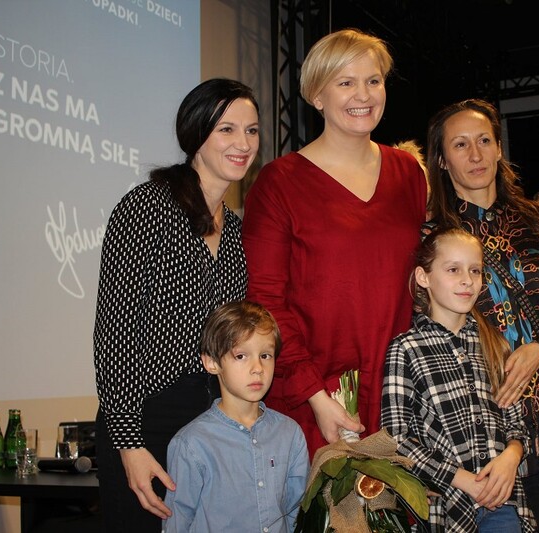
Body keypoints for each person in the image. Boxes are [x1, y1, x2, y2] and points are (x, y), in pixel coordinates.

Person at [242, 28, 427, 459]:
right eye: (346, 82)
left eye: (374, 80)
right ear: (317, 95)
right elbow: (265, 299)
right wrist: (314, 394)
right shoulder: (278, 182)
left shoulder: (408, 174)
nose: (363, 94)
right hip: (317, 400)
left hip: (399, 393)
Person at [93, 78, 257, 531]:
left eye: (252, 130)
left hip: (214, 422)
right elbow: (117, 332)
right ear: (196, 134)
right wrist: (129, 444)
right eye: (227, 129)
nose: (243, 143)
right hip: (146, 418)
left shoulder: (240, 233)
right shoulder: (146, 207)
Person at [425, 98, 539, 532]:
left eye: (484, 141)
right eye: (460, 145)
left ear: (500, 149)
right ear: (441, 159)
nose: (476, 155)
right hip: (476, 419)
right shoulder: (431, 235)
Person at [381, 226, 535, 532]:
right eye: (453, 269)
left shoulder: (496, 345)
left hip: (502, 502)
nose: (467, 280)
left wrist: (512, 457)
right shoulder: (406, 349)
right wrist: (460, 478)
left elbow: (517, 423)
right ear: (423, 277)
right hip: (448, 508)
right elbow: (396, 438)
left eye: (475, 270)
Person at [162, 301, 308, 532]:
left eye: (265, 355)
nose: (257, 368)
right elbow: (177, 521)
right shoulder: (191, 444)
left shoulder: (290, 434)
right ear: (212, 363)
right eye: (241, 356)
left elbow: (295, 512)